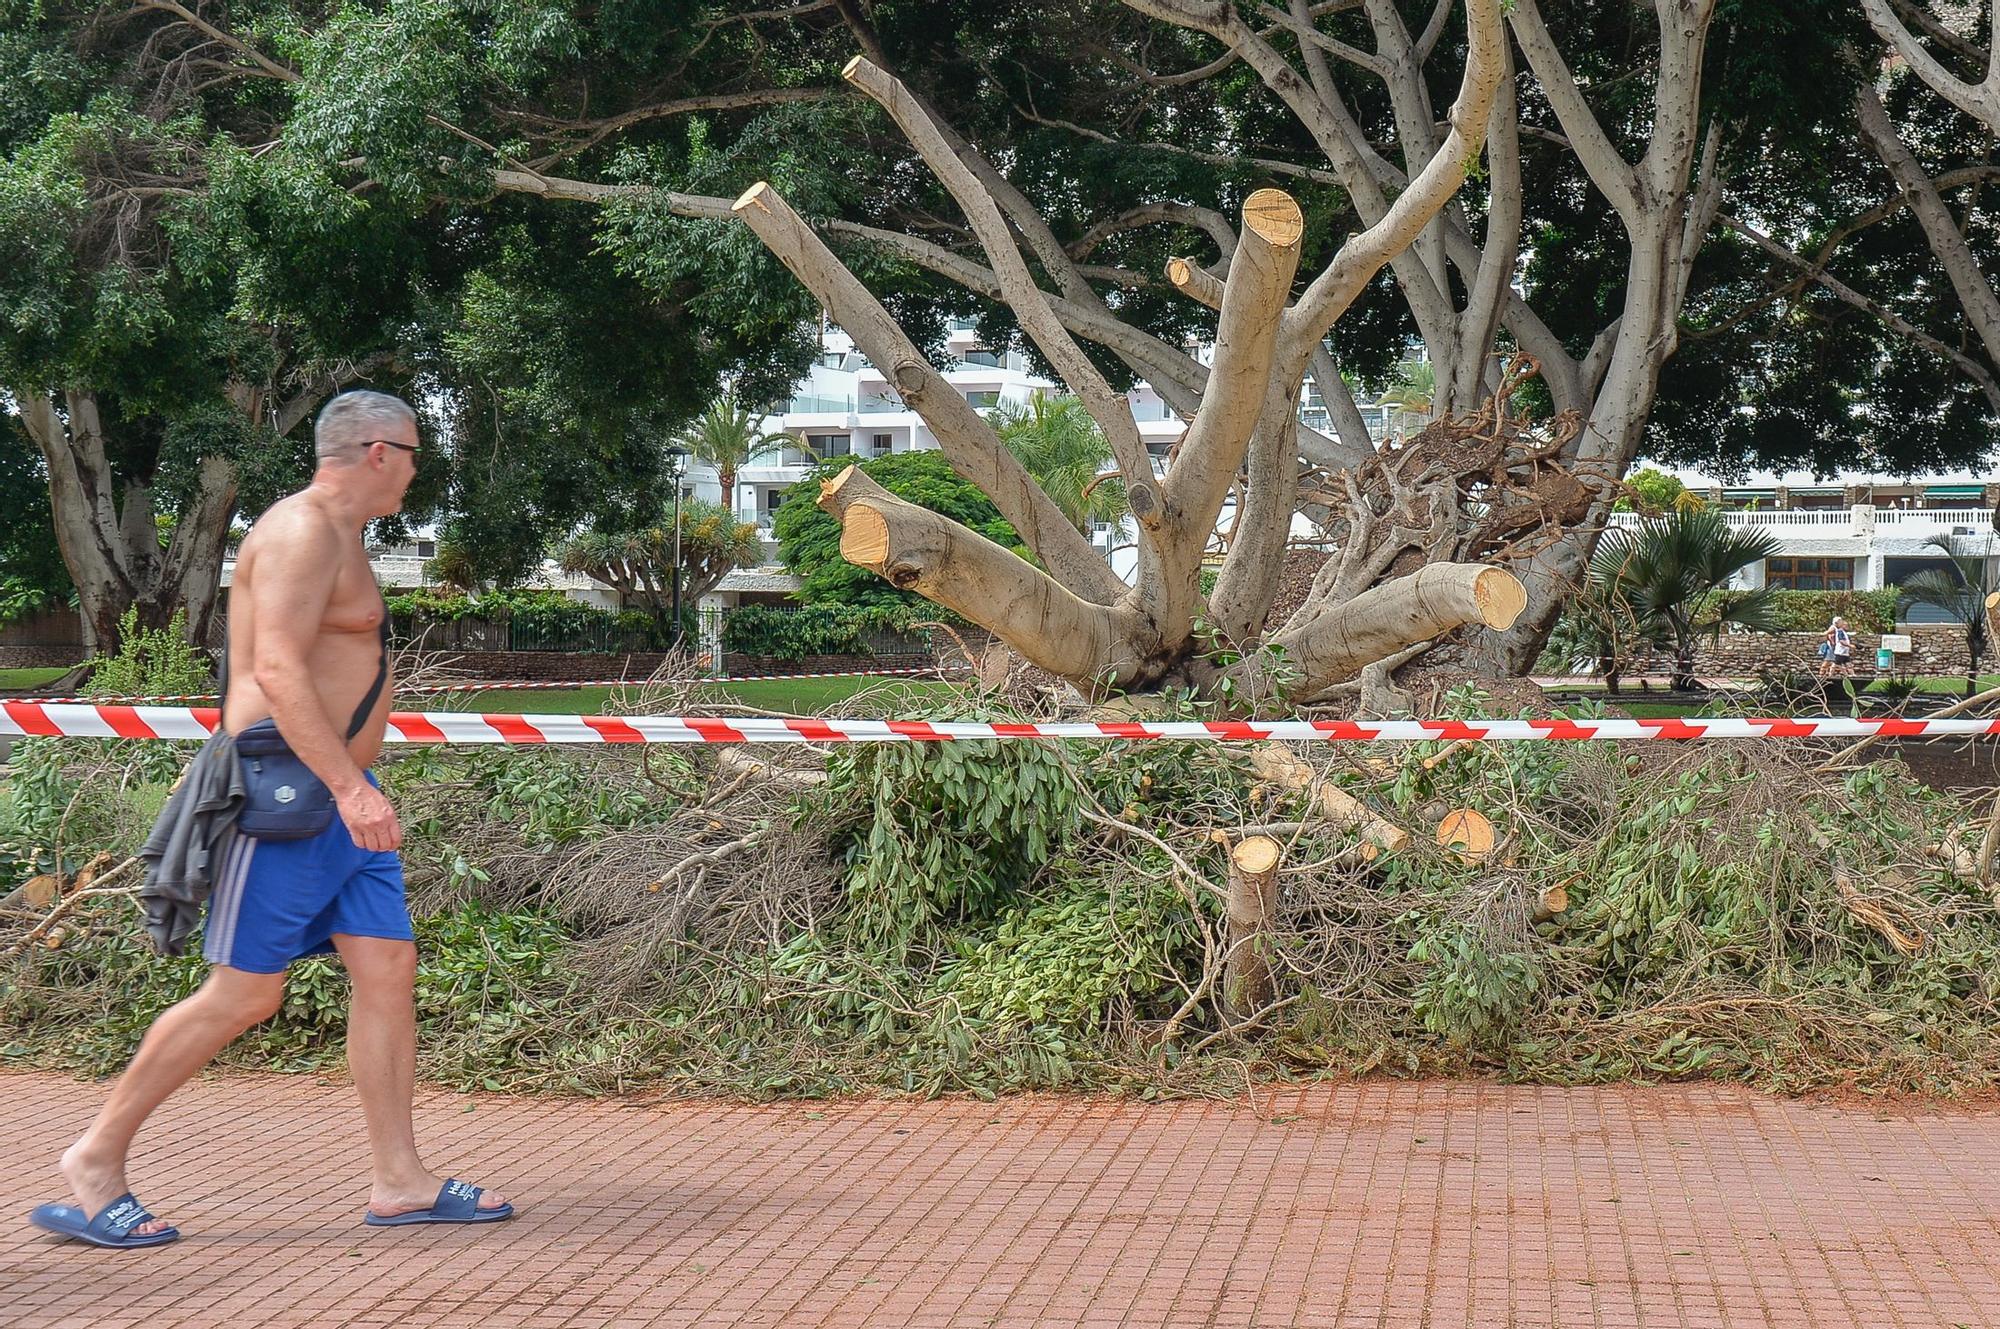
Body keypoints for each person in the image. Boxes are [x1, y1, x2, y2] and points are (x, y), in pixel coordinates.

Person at [28, 391, 510, 1250]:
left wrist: (356, 790)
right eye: (412, 453)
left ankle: (400, 1178)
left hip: (340, 806)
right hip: (284, 796)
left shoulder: (346, 536)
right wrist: (352, 789)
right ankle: (95, 1159)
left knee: (388, 967)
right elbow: (278, 670)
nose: (415, 470)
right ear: (374, 451)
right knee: (247, 991)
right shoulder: (299, 532)